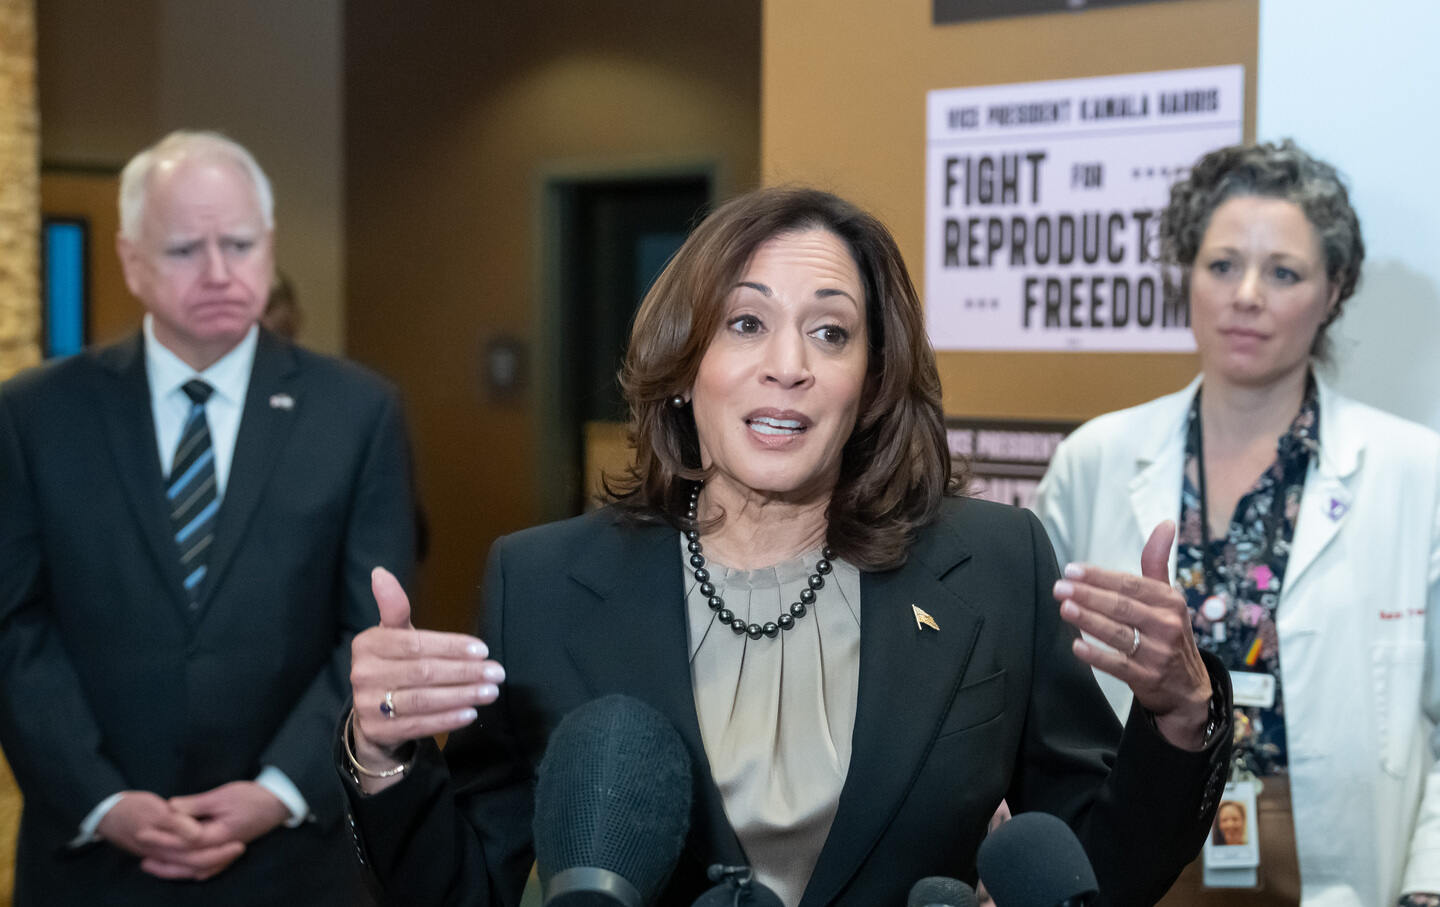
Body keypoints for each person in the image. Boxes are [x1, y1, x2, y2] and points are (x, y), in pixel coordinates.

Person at [341, 187, 1231, 906]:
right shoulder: (537, 584)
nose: (789, 363)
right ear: (685, 364)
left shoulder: (997, 564)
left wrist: (1181, 714)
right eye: (745, 323)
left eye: (831, 331)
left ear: (871, 383)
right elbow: (461, 889)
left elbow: (1087, 874)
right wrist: (382, 755)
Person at [0, 131, 416, 905]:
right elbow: (12, 626)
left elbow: (369, 631)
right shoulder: (34, 416)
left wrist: (279, 789)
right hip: (90, 860)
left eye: (240, 243)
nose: (220, 273)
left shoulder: (358, 412)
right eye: (187, 249)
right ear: (131, 260)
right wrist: (101, 800)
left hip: (295, 861)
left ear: (270, 245)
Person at [1036, 140, 1440, 905]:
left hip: (1336, 862)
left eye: (1283, 272)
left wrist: (1430, 885)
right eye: (1221, 265)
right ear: (1186, 272)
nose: (1246, 294)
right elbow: (1035, 686)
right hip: (1141, 838)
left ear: (1335, 289)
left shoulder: (1417, 474)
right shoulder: (1099, 456)